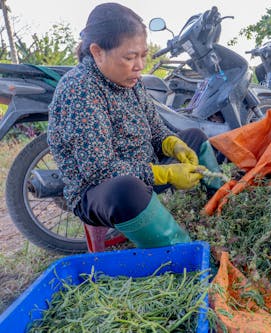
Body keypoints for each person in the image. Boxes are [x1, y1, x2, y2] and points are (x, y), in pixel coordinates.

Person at [47, 2, 222, 248]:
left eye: (143, 55)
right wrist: (166, 173)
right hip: (99, 192)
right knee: (127, 190)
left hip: (144, 169)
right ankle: (184, 255)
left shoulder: (131, 81)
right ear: (97, 52)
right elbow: (100, 170)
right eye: (130, 57)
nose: (139, 65)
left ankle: (222, 199)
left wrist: (173, 144)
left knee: (194, 135)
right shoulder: (80, 90)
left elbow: (156, 129)